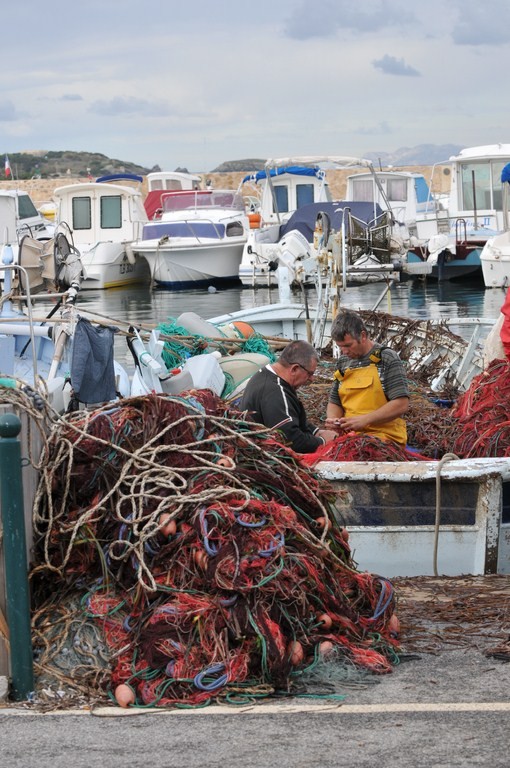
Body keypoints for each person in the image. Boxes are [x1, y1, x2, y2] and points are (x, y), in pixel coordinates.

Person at [325, 310, 409, 444]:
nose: (345, 351)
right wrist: (334, 421)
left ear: (363, 336)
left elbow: (401, 404)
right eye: (340, 347)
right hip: (351, 437)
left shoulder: (386, 358)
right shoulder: (343, 363)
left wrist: (365, 420)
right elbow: (335, 402)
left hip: (385, 438)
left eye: (348, 345)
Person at [240, 340, 337, 453]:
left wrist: (316, 431)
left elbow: (288, 417)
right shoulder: (275, 391)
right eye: (310, 373)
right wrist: (322, 441)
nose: (312, 379)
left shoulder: (265, 375)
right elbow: (291, 441)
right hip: (264, 458)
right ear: (294, 369)